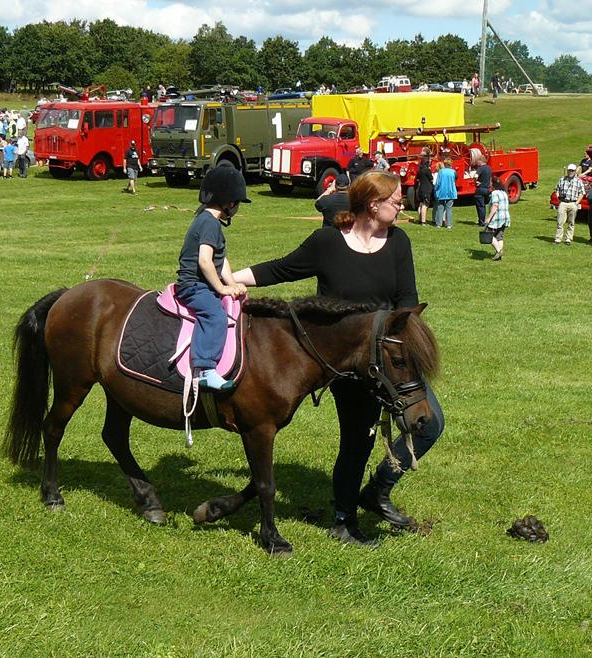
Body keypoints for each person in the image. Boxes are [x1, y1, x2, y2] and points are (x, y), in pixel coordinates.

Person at [232, 171, 444, 547]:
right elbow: (282, 268)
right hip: (347, 364)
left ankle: (377, 491)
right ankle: (344, 520)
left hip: (390, 357)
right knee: (357, 441)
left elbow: (407, 302)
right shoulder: (327, 242)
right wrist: (228, 278)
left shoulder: (399, 243)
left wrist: (404, 342)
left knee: (430, 423)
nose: (402, 205)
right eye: (396, 200)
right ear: (372, 203)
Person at [174, 164, 249, 391]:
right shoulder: (208, 223)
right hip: (193, 286)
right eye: (238, 203)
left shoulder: (210, 221)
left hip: (202, 285)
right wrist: (221, 288)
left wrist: (232, 283)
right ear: (229, 202)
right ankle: (205, 369)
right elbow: (205, 261)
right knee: (215, 315)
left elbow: (220, 261)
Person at [553, 163, 584, 244]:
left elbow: (582, 193)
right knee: (560, 222)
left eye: (572, 171)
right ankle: (558, 239)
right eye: (569, 170)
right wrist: (559, 199)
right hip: (563, 202)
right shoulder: (562, 179)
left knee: (571, 222)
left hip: (573, 203)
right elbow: (556, 189)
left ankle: (568, 239)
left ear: (575, 171)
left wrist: (577, 203)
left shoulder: (579, 181)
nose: (571, 172)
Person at [485, 175, 511, 260]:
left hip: (497, 218)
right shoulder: (504, 193)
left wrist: (489, 218)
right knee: (499, 236)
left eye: (490, 183)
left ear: (493, 184)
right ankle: (499, 255)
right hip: (505, 217)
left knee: (488, 235)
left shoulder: (494, 193)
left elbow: (495, 206)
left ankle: (499, 251)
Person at [432, 159, 457, 228]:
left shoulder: (441, 172)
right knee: (449, 208)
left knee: (440, 207)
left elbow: (438, 182)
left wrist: (435, 189)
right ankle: (448, 224)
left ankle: (439, 224)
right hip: (451, 191)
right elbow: (455, 180)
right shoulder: (453, 172)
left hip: (442, 191)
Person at [470, 149, 492, 226]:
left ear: (480, 161)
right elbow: (490, 179)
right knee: (484, 206)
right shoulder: (489, 168)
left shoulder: (480, 168)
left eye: (478, 161)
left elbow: (475, 176)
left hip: (480, 189)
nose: (477, 163)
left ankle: (481, 221)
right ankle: (486, 220)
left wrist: (476, 182)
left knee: (480, 206)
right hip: (487, 189)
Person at [414, 148, 434, 225]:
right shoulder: (427, 170)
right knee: (425, 205)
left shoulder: (419, 170)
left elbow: (417, 178)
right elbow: (431, 179)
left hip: (420, 188)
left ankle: (419, 219)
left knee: (421, 204)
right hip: (426, 189)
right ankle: (423, 221)